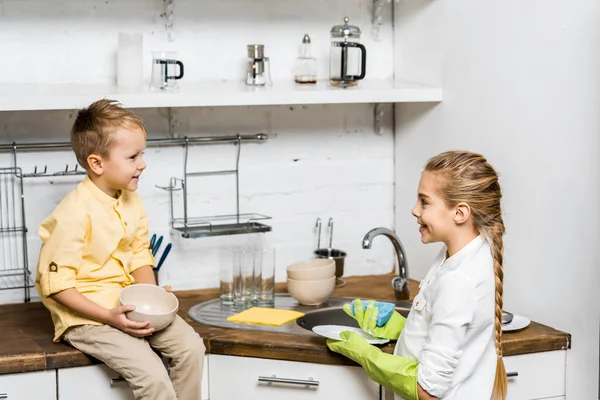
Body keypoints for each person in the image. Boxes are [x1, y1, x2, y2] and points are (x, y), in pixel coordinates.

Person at [35, 99, 205, 400]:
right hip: (87, 319)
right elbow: (58, 287)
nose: (143, 163)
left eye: (143, 153)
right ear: (97, 163)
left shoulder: (130, 199)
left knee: (192, 348)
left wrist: (151, 296)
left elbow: (140, 253)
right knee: (153, 376)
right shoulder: (73, 213)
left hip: (129, 304)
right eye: (132, 156)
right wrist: (109, 316)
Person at [328, 151, 507, 400]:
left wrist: (367, 356)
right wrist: (397, 327)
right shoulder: (462, 256)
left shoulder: (459, 280)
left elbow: (428, 390)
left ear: (460, 213)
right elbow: (451, 332)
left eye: (424, 201)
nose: (414, 210)